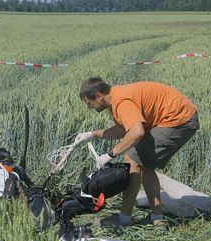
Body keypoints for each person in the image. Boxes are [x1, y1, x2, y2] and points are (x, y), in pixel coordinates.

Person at [74, 78, 200, 229]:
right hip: (178, 117)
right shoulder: (116, 98)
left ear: (99, 95)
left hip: (179, 119)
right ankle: (157, 219)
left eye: (89, 103)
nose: (89, 107)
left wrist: (110, 154)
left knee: (132, 159)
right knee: (144, 165)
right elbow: (123, 130)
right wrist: (92, 134)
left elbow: (137, 132)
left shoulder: (121, 101)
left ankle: (124, 219)